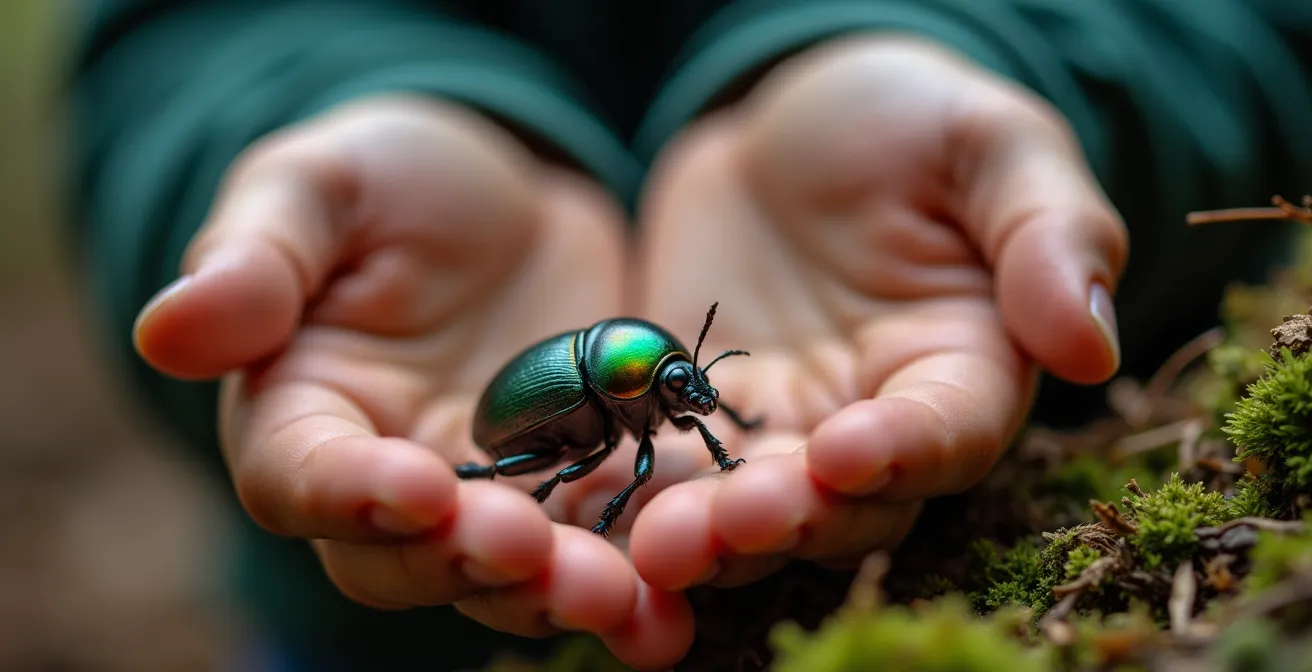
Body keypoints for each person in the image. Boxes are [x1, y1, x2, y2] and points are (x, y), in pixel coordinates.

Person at [68, 1, 1312, 669]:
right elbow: (177, 36)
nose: (687, 397)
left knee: (613, 470)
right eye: (675, 383)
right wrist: (311, 117)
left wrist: (977, 40)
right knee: (534, 474)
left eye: (686, 384)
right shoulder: (604, 397)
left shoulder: (644, 386)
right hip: (367, 638)